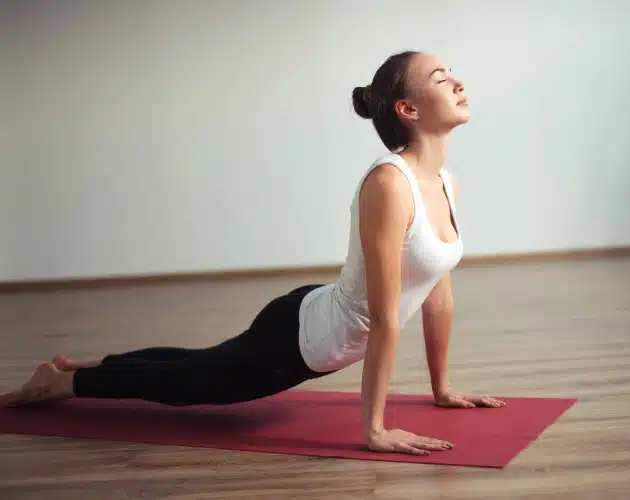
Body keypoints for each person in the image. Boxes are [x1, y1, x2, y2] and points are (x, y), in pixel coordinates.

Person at [0, 50, 504, 457]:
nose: (458, 82)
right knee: (190, 385)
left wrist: (443, 387)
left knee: (199, 363)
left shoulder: (443, 183)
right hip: (302, 339)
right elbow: (384, 316)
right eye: (441, 78)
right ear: (408, 109)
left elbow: (438, 294)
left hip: (317, 315)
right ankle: (63, 384)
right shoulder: (389, 184)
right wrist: (375, 429)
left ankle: (77, 365)